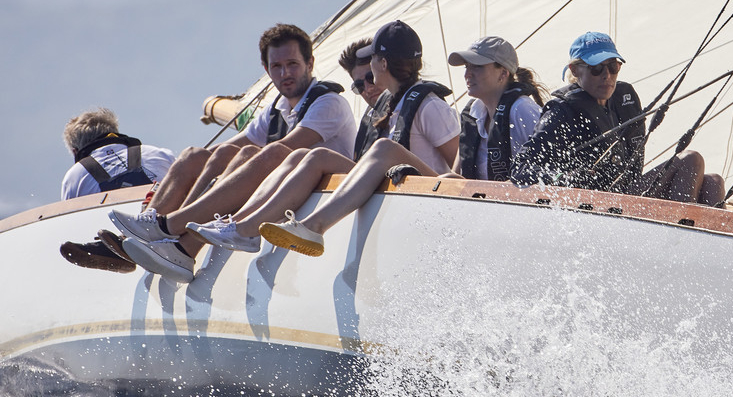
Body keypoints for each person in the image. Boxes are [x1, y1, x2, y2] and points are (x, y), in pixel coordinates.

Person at [110, 23, 357, 282]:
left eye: (293, 64)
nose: (285, 73)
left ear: (310, 63)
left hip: (317, 192)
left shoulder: (329, 102)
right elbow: (230, 147)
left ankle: (173, 234)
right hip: (283, 190)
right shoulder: (277, 109)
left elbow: (291, 147)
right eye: (276, 67)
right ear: (266, 70)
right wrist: (192, 164)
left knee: (268, 153)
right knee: (202, 154)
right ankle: (144, 240)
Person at [218, 20, 458, 257]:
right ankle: (244, 227)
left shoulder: (429, 106)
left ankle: (314, 226)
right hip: (395, 193)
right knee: (312, 155)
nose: (367, 77)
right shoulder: (384, 108)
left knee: (385, 148)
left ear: (383, 64)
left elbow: (461, 173)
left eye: (372, 59)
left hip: (429, 199)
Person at [510, 31, 723, 205]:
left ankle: (711, 247)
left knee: (713, 182)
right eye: (596, 69)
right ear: (575, 70)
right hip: (599, 204)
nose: (607, 76)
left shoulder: (625, 99)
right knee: (690, 159)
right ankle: (679, 238)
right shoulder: (561, 111)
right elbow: (521, 169)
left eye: (613, 67)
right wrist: (567, 178)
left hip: (627, 195)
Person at [56, 109, 177, 273]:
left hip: (119, 251)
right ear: (113, 133)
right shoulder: (158, 153)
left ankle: (124, 246)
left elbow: (74, 225)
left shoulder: (74, 175)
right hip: (173, 232)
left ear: (75, 151)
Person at [450, 35, 543, 181]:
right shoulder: (473, 113)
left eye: (477, 66)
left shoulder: (522, 109)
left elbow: (551, 167)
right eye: (467, 66)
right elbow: (456, 178)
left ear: (503, 73)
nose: (467, 74)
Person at [339, 36, 387, 160]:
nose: (368, 88)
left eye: (371, 78)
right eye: (359, 85)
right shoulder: (368, 121)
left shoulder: (424, 106)